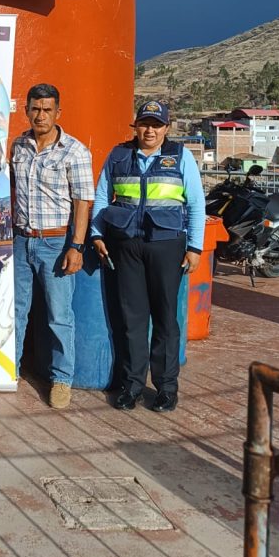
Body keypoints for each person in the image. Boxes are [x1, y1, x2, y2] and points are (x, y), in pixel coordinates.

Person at [91, 101, 205, 413]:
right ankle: (132, 386)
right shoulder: (118, 155)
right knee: (133, 319)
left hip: (166, 245)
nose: (150, 130)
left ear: (166, 128)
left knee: (166, 319)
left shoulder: (180, 157)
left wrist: (195, 247)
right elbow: (102, 196)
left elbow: (196, 203)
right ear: (136, 126)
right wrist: (97, 234)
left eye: (156, 125)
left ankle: (166, 388)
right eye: (144, 124)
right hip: (127, 246)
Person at [11, 83, 94, 409]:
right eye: (35, 109)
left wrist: (77, 246)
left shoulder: (74, 151)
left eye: (47, 110)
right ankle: (10, 370)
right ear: (27, 110)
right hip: (21, 240)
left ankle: (61, 380)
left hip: (56, 243)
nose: (41, 115)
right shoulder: (19, 146)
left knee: (59, 315)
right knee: (15, 311)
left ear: (58, 112)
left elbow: (83, 202)